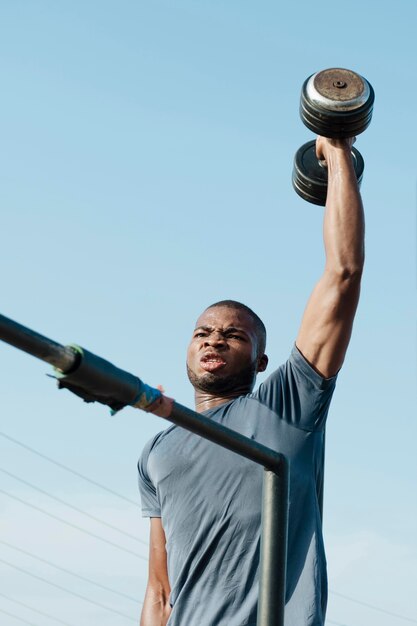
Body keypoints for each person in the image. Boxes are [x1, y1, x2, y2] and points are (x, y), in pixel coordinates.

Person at [137, 135, 365, 626]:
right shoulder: (157, 450)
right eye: (203, 331)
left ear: (262, 361)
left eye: (234, 335)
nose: (214, 339)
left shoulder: (286, 405)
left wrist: (338, 147)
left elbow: (343, 273)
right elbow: (159, 590)